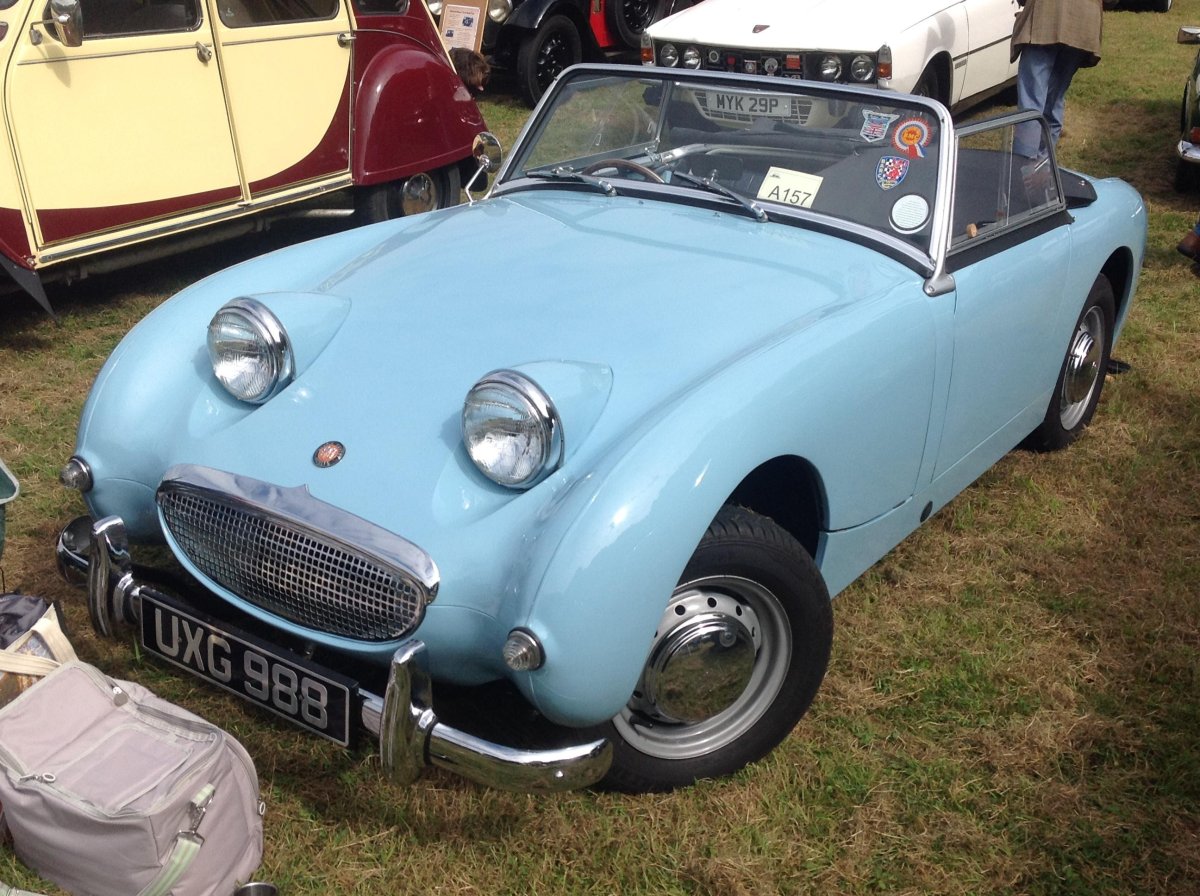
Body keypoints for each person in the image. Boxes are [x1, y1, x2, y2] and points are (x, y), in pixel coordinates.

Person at [1010, 0, 1103, 156]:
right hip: (1082, 23)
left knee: (1031, 104)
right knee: (1053, 102)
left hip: (1044, 19)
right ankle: (1042, 170)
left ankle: (1023, 170)